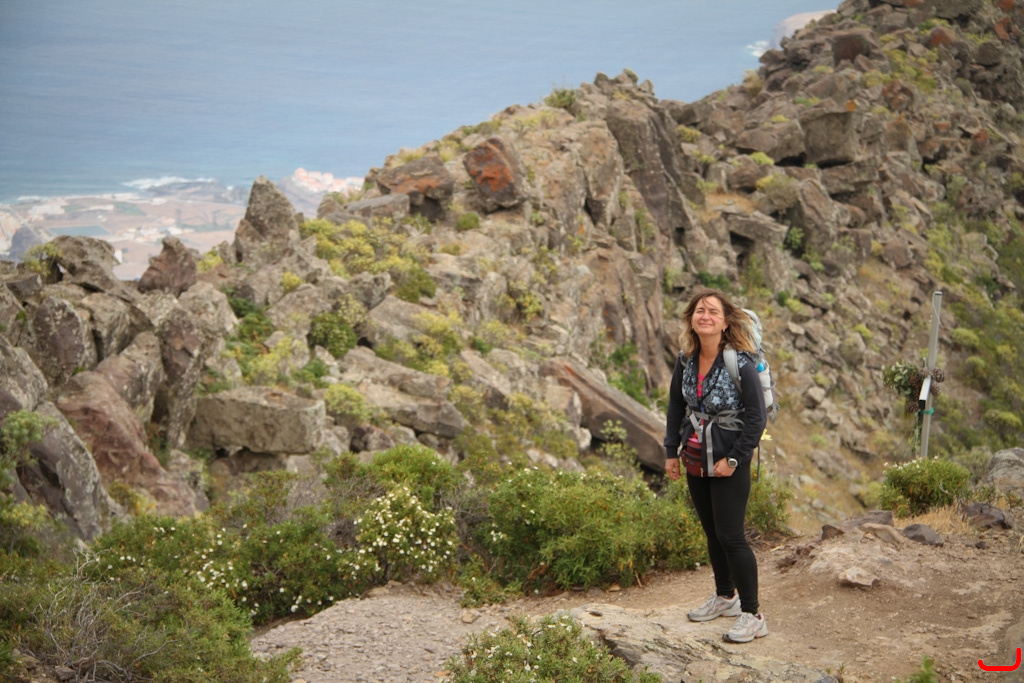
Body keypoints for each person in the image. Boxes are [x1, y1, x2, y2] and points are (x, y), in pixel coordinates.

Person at [663, 289, 768, 643]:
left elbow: (757, 418)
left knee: (731, 536)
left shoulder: (741, 363)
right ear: (691, 319)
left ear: (725, 322)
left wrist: (734, 459)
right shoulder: (686, 361)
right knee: (712, 533)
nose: (704, 316)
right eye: (699, 310)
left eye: (712, 311)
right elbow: (675, 407)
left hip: (729, 460)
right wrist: (671, 451)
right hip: (696, 457)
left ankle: (753, 614)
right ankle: (726, 597)